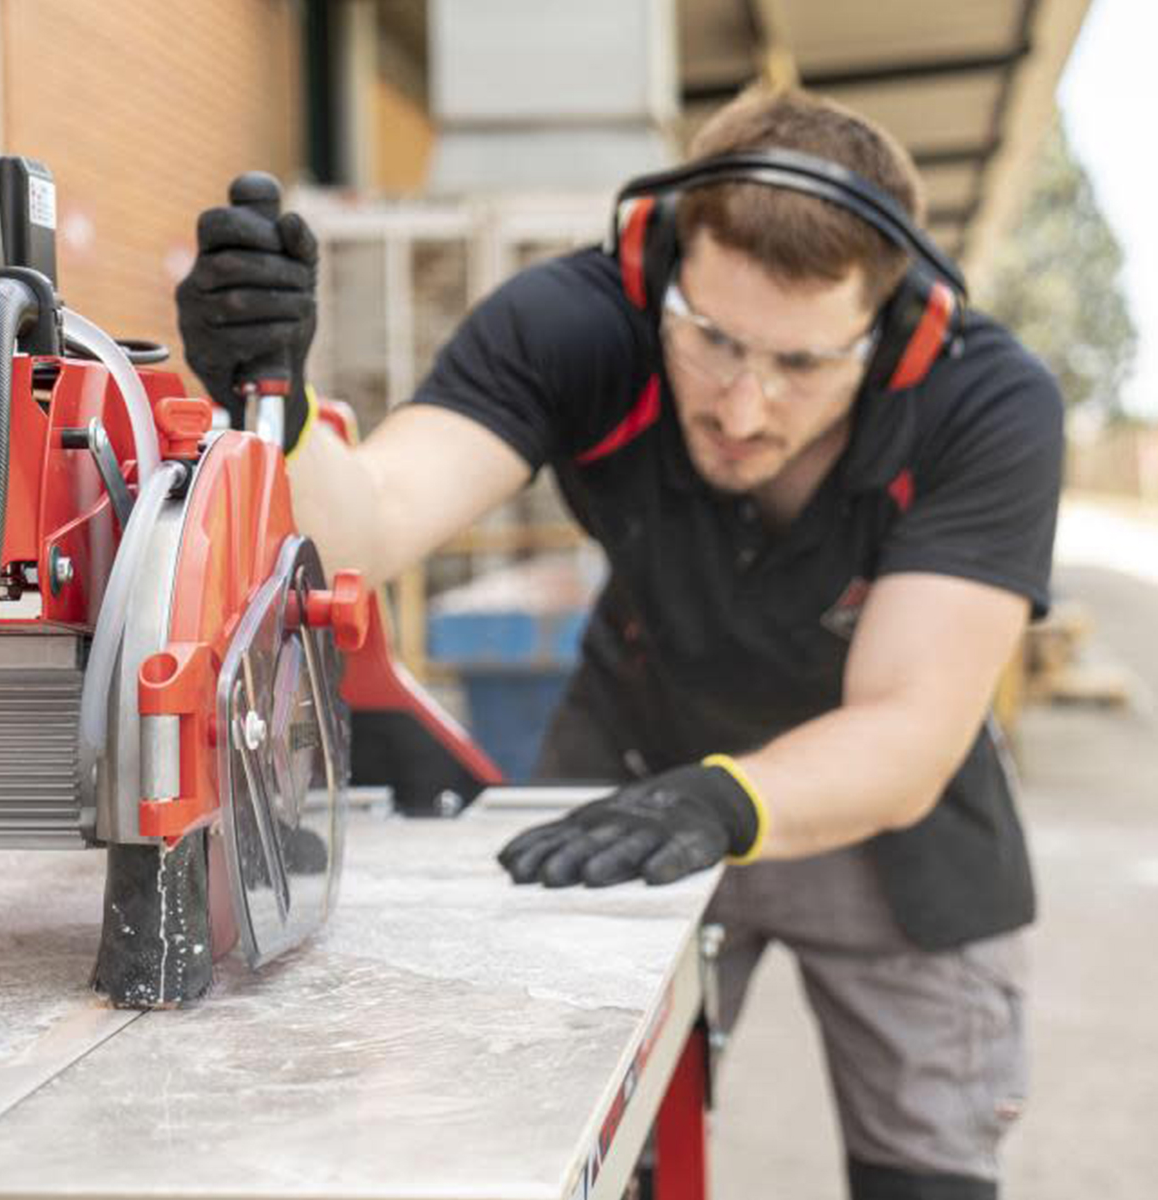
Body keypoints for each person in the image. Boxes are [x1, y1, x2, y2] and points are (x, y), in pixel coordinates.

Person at [176, 88, 1062, 1200]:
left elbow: (910, 723)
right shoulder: (577, 322)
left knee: (927, 1176)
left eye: (799, 366)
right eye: (714, 340)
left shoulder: (987, 401)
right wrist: (278, 402)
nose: (743, 407)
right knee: (587, 1137)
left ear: (894, 330)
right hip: (635, 766)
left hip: (890, 819)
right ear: (662, 271)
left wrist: (722, 802)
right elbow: (373, 523)